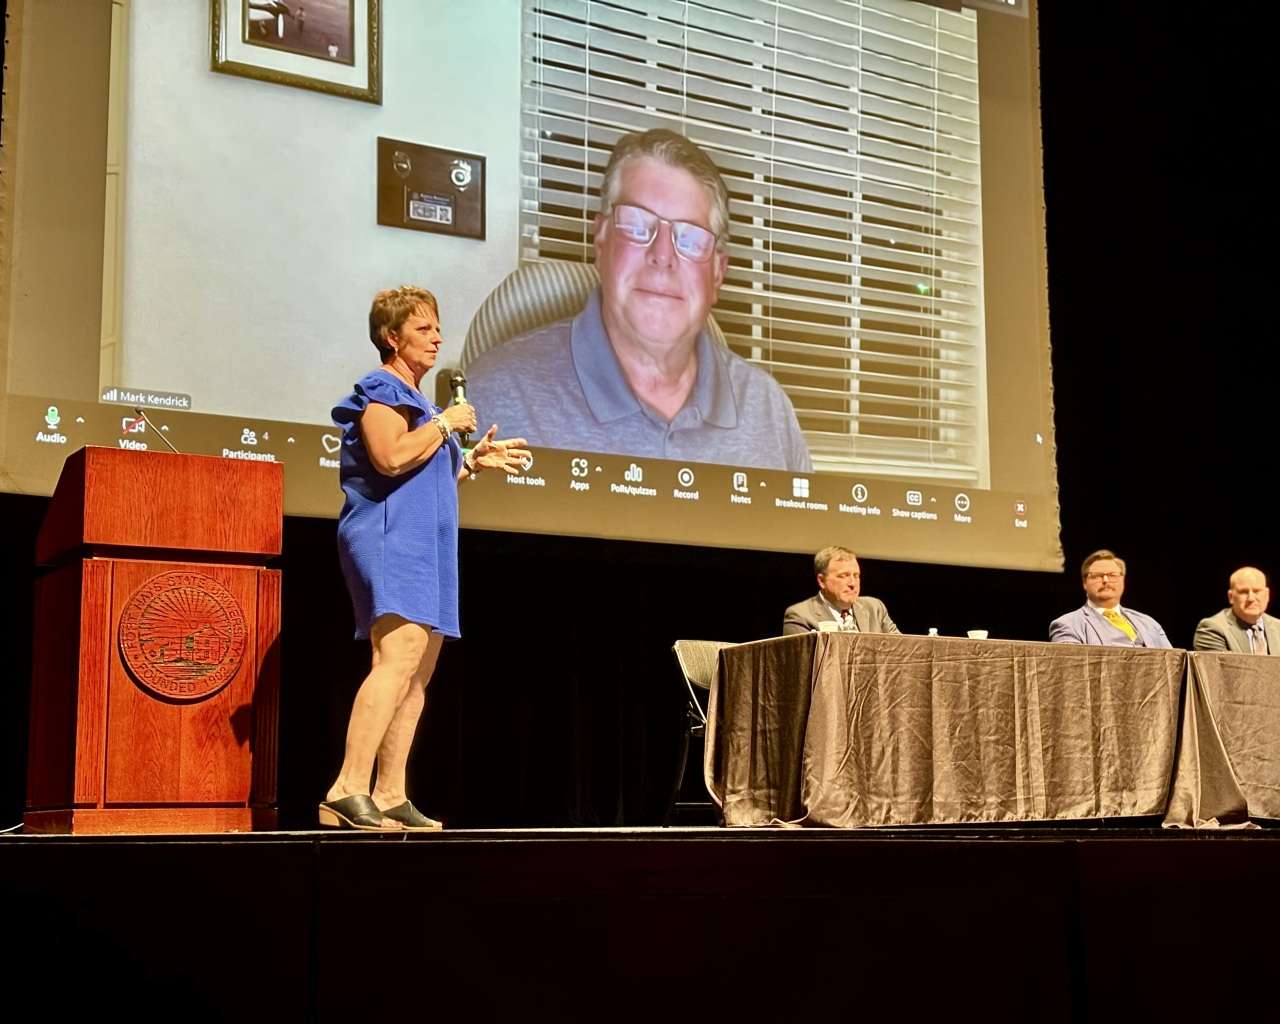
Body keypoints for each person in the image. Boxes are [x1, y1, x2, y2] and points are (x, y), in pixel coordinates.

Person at [467, 128, 811, 472]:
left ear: (717, 274)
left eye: (690, 238)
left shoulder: (769, 413)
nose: (662, 255)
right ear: (601, 242)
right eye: (636, 225)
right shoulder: (492, 399)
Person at [319, 286, 530, 831]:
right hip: (390, 537)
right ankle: (347, 787)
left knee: (418, 672)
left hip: (427, 542)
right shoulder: (383, 391)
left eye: (438, 328)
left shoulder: (427, 409)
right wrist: (444, 426)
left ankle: (389, 794)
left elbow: (427, 475)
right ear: (392, 338)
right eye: (422, 329)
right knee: (398, 657)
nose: (437, 338)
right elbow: (389, 458)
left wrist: (474, 462)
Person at [1049, 549, 1172, 648]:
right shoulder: (1067, 625)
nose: (1105, 580)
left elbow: (1173, 664)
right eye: (1097, 576)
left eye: (1112, 575)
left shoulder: (1149, 623)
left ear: (1123, 580)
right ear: (1084, 583)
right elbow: (1070, 672)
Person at [783, 546, 899, 635]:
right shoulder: (800, 616)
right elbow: (803, 664)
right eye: (844, 576)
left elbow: (902, 652)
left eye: (856, 575)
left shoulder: (875, 608)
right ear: (822, 581)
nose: (852, 583)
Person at [1193, 566, 1280, 654]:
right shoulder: (1212, 629)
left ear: (1267, 595)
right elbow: (1223, 667)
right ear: (1231, 597)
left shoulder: (1278, 627)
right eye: (1243, 592)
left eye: (1257, 591)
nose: (1251, 598)